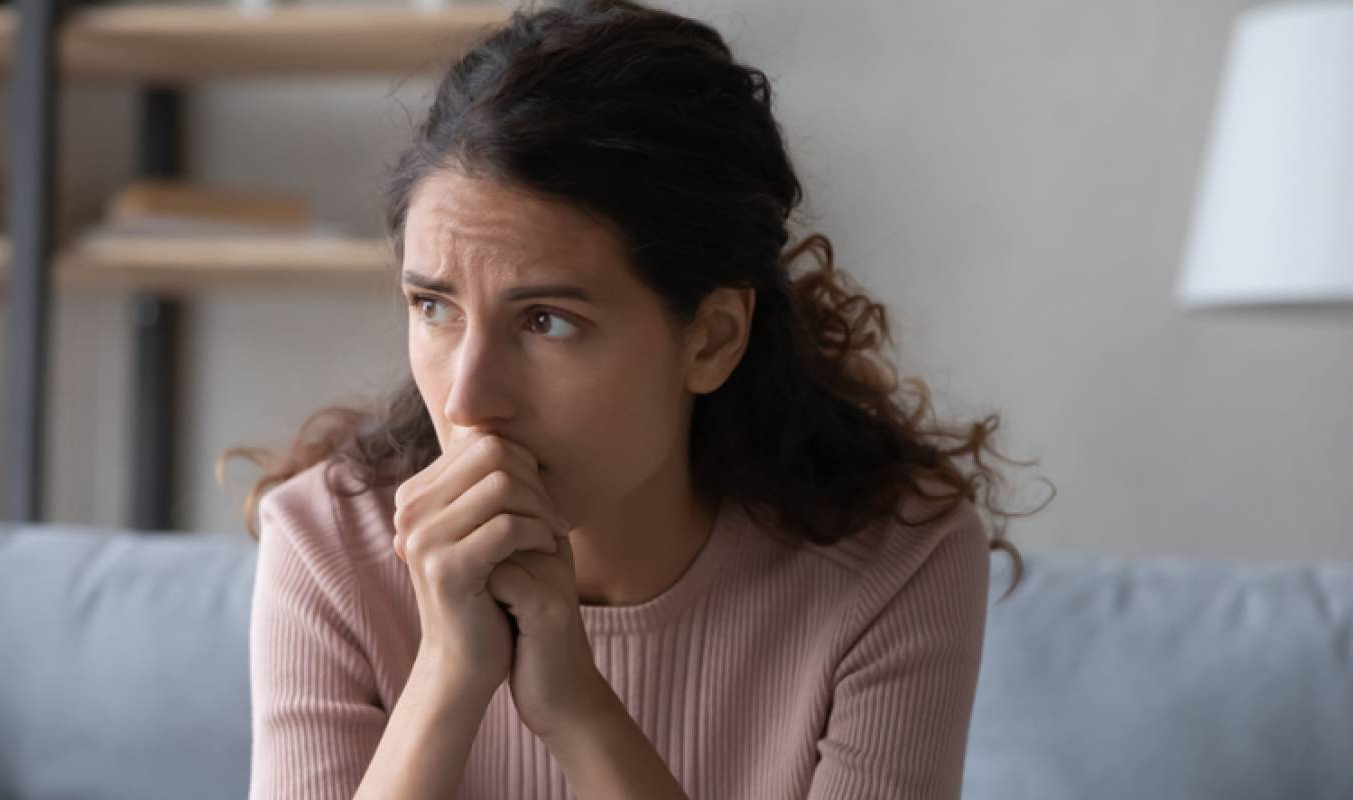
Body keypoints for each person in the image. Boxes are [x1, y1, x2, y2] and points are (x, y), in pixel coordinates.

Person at [222, 0, 1052, 796]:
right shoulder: (329, 546)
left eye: (547, 321)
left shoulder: (894, 566)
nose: (469, 403)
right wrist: (447, 675)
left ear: (711, 339)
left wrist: (579, 711)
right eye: (433, 307)